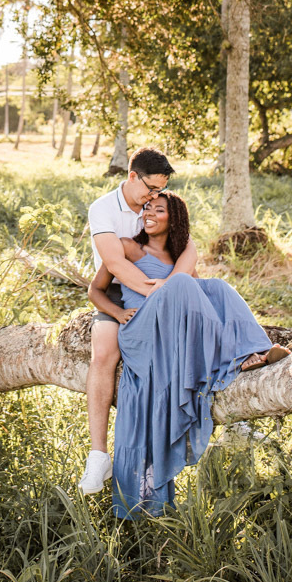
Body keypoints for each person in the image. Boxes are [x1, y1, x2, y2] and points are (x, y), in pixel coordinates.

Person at [88, 189, 288, 519]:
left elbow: (195, 295)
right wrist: (117, 312)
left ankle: (253, 353)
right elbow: (95, 290)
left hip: (170, 333)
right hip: (140, 332)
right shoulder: (128, 246)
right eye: (147, 208)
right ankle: (232, 360)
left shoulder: (181, 254)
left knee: (217, 287)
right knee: (182, 284)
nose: (149, 213)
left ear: (174, 219)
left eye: (158, 209)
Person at [78, 147, 198, 495]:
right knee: (104, 351)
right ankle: (98, 454)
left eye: (159, 191)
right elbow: (114, 264)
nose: (153, 197)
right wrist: (156, 296)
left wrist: (174, 285)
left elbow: (187, 243)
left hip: (163, 287)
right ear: (132, 177)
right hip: (119, 291)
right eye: (149, 189)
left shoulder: (156, 205)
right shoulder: (103, 208)